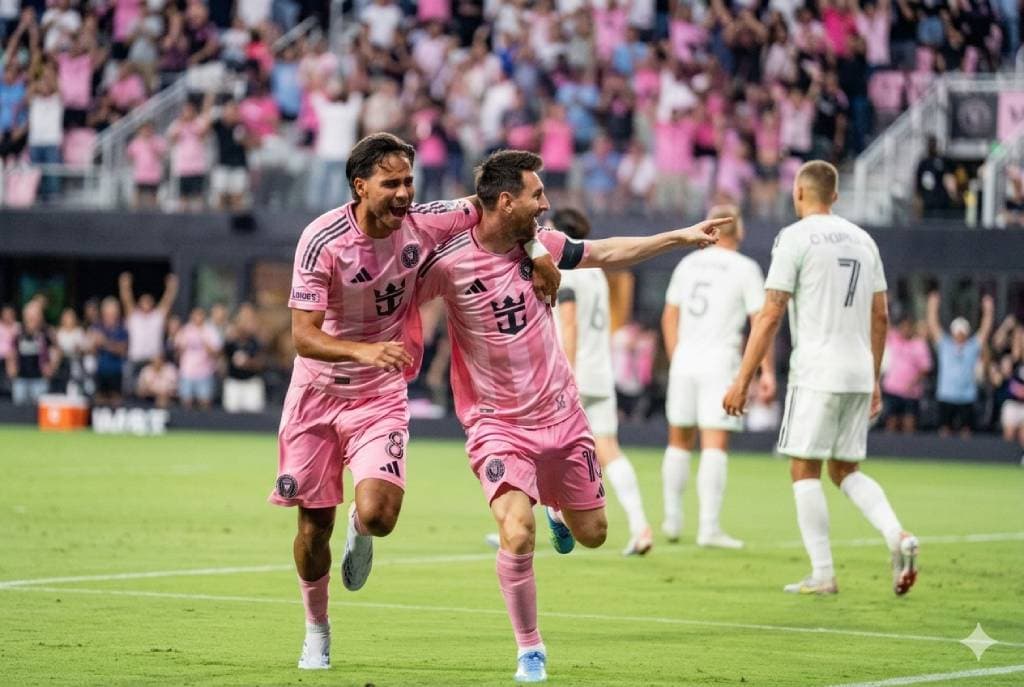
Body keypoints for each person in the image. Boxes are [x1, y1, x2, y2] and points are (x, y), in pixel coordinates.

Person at [415, 150, 726, 682]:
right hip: (496, 425)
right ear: (507, 201)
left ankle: (557, 507)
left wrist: (679, 236)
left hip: (560, 414)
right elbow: (396, 288)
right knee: (516, 533)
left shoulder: (542, 246)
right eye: (538, 195)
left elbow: (607, 250)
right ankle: (530, 648)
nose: (547, 203)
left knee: (596, 533)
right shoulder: (447, 262)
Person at [270, 133, 559, 671]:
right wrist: (364, 350)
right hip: (316, 394)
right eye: (391, 183)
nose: (405, 192)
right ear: (360, 186)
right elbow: (303, 336)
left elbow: (506, 206)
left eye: (409, 181)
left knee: (379, 516)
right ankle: (317, 628)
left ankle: (362, 528)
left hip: (379, 394)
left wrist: (538, 249)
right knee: (313, 526)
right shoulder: (321, 240)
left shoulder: (427, 220)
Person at [723, 160, 919, 596]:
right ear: (835, 196)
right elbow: (881, 316)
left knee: (803, 468)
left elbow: (771, 310)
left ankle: (823, 573)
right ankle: (897, 536)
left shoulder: (793, 238)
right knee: (845, 468)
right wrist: (874, 377)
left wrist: (743, 377)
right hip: (857, 371)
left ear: (798, 194)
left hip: (817, 370)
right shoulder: (865, 240)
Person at [661, 205, 775, 549]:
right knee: (715, 443)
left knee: (678, 440)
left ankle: (672, 518)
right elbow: (761, 323)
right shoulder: (745, 268)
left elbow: (669, 316)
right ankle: (708, 527)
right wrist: (765, 371)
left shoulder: (687, 263)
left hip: (684, 360)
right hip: (719, 363)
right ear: (738, 232)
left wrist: (676, 356)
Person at [550, 207, 654, 556]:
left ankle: (533, 522)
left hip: (571, 373)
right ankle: (640, 526)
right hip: (600, 371)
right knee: (609, 449)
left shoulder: (565, 266)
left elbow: (569, 322)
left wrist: (568, 374)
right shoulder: (595, 270)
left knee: (537, 449)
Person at [925, 291, 993, 437]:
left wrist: (988, 310)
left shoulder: (972, 346)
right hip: (946, 395)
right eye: (957, 331)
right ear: (953, 332)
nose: (960, 334)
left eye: (962, 332)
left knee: (966, 431)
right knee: (944, 430)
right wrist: (932, 306)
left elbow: (985, 330)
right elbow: (933, 325)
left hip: (967, 396)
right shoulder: (945, 344)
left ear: (966, 333)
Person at [120, 272, 179, 397]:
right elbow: (127, 300)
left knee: (155, 389)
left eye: (149, 302)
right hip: (135, 358)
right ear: (139, 304)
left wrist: (171, 287)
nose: (146, 305)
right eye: (144, 302)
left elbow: (167, 302)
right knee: (130, 388)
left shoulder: (157, 317)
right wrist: (124, 286)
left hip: (153, 360)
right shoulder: (134, 317)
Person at [881, 312, 932, 433]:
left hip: (911, 393)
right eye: (903, 327)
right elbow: (883, 323)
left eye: (908, 327)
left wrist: (913, 382)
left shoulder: (919, 344)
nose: (905, 329)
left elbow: (925, 369)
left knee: (909, 424)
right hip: (892, 390)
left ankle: (909, 450)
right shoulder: (894, 338)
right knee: (891, 422)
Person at [7, 301, 58, 405]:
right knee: (19, 409)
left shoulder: (47, 332)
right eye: (30, 315)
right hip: (21, 378)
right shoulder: (18, 332)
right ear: (25, 316)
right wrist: (11, 366)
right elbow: (12, 351)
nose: (32, 318)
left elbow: (56, 350)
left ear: (40, 317)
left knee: (38, 410)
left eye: (35, 315)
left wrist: (52, 366)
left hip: (40, 378)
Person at [174, 307, 221, 411]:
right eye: (196, 315)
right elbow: (178, 350)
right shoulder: (185, 330)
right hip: (187, 371)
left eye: (200, 315)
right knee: (186, 401)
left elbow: (216, 352)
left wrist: (204, 341)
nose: (198, 318)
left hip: (205, 372)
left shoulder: (210, 330)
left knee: (205, 401)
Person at [89, 297, 129, 406]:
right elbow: (91, 351)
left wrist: (104, 342)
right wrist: (93, 344)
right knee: (99, 399)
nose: (111, 316)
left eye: (113, 313)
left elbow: (122, 350)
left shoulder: (122, 328)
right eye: (108, 313)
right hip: (100, 370)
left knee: (116, 400)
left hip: (116, 371)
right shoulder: (97, 327)